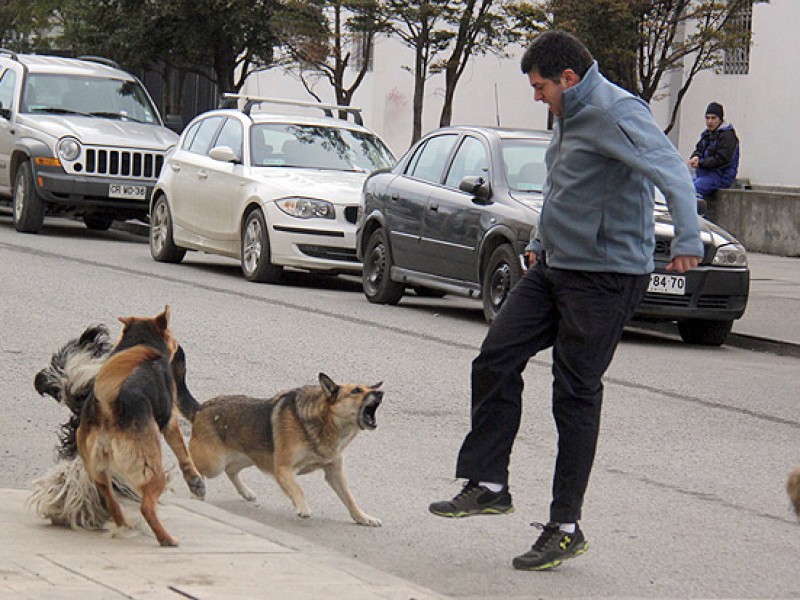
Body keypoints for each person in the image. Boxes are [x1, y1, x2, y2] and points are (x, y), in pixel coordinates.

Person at [428, 30, 703, 571]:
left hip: (605, 276)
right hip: (555, 266)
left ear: (569, 78)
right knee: (495, 357)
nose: (538, 97)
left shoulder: (617, 110)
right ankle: (488, 482)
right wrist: (538, 241)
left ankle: (566, 526)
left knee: (574, 392)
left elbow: (670, 168)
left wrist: (689, 238)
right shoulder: (570, 114)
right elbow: (564, 187)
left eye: (540, 88)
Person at [688, 102, 740, 198]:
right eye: (707, 118)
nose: (710, 121)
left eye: (713, 118)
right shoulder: (707, 135)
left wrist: (701, 164)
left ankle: (695, 212)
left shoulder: (728, 136)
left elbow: (722, 159)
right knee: (683, 188)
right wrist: (695, 157)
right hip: (704, 175)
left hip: (720, 176)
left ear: (720, 119)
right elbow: (699, 149)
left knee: (692, 191)